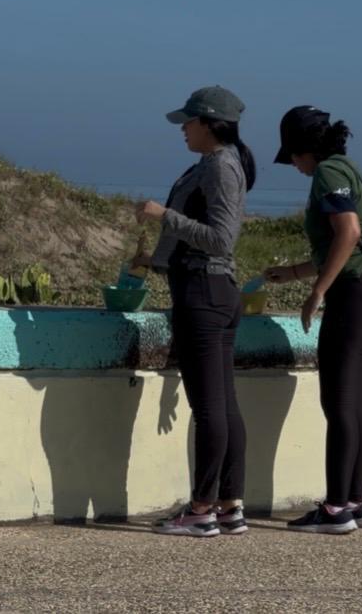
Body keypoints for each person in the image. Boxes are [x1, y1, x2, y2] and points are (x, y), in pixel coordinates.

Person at [264, 106, 362, 534]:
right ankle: (357, 502)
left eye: (292, 155)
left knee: (338, 403)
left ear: (304, 149)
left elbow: (348, 233)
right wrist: (293, 273)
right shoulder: (349, 169)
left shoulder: (327, 172)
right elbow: (345, 246)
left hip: (356, 297)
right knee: (356, 403)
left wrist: (318, 291)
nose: (293, 165)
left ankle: (335, 509)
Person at [133, 86, 256, 537]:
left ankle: (202, 509)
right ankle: (228, 505)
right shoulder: (219, 165)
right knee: (224, 405)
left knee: (209, 410)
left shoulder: (222, 167)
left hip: (204, 294)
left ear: (208, 123)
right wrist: (155, 261)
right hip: (214, 291)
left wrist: (163, 214)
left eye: (188, 122)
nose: (182, 129)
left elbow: (221, 240)